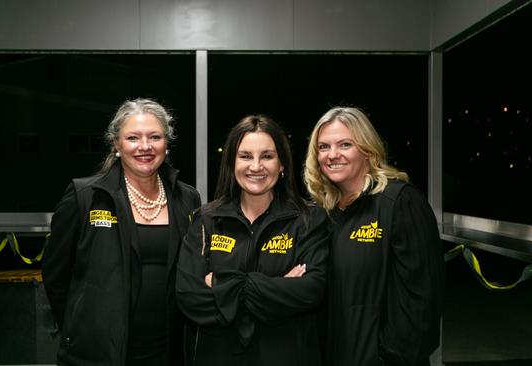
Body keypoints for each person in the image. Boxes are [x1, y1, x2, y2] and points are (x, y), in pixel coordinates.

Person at [42, 98, 201, 366]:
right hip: (98, 353)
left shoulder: (187, 198)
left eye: (155, 137)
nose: (145, 147)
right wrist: (79, 329)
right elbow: (55, 274)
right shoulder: (85, 196)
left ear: (166, 142)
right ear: (116, 144)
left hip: (169, 350)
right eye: (133, 138)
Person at [176, 115, 329, 366]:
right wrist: (278, 286)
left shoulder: (309, 219)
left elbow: (310, 291)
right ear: (231, 163)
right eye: (245, 156)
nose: (256, 166)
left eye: (267, 156)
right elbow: (189, 297)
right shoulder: (206, 220)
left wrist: (221, 285)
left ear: (282, 164)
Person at [303, 107, 445, 366]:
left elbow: (421, 304)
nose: (332, 155)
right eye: (323, 147)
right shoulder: (323, 213)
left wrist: (387, 359)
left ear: (367, 150)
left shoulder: (400, 202)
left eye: (345, 144)